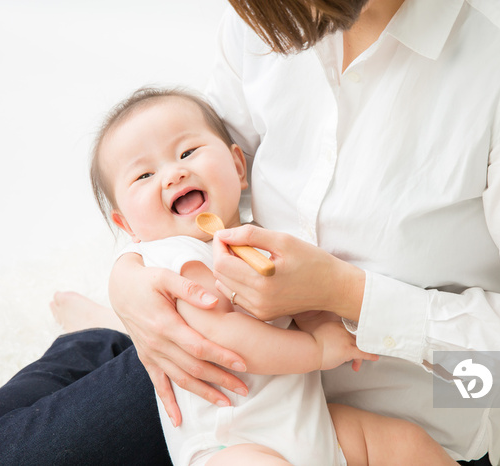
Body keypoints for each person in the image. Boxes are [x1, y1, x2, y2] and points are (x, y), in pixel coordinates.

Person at [105, 0, 500, 464]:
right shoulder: (267, 14)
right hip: (234, 392)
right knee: (30, 443)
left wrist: (350, 297)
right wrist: (127, 277)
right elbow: (199, 171)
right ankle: (90, 340)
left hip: (395, 434)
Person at [92, 87, 455, 465]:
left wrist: (326, 319)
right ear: (125, 224)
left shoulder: (263, 241)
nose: (173, 173)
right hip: (232, 443)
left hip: (313, 426)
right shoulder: (175, 256)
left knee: (404, 444)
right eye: (145, 174)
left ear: (237, 167)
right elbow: (230, 338)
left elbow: (300, 297)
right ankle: (94, 332)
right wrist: (318, 349)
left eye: (187, 152)